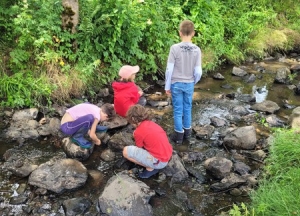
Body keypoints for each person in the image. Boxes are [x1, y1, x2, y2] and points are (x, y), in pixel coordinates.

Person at [165, 20, 202, 144]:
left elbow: (169, 69)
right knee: (188, 107)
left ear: (180, 33)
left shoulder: (174, 48)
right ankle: (187, 132)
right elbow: (198, 72)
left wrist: (167, 86)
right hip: (189, 83)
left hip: (176, 83)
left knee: (177, 109)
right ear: (193, 33)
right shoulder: (197, 50)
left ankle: (179, 135)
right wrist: (193, 81)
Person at [123, 104, 173, 179]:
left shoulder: (138, 132)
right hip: (167, 155)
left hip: (159, 162)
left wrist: (135, 135)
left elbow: (139, 146)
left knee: (125, 151)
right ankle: (152, 165)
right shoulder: (151, 123)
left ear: (133, 120)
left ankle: (150, 168)